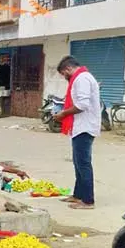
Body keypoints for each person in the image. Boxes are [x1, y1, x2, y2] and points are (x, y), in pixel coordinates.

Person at [53, 56, 100, 210]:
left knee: (83, 163)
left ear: (67, 69)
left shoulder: (82, 79)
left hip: (85, 126)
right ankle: (78, 194)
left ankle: (88, 200)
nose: (65, 78)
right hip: (79, 126)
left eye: (63, 74)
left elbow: (82, 104)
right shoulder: (80, 78)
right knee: (78, 162)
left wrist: (63, 114)